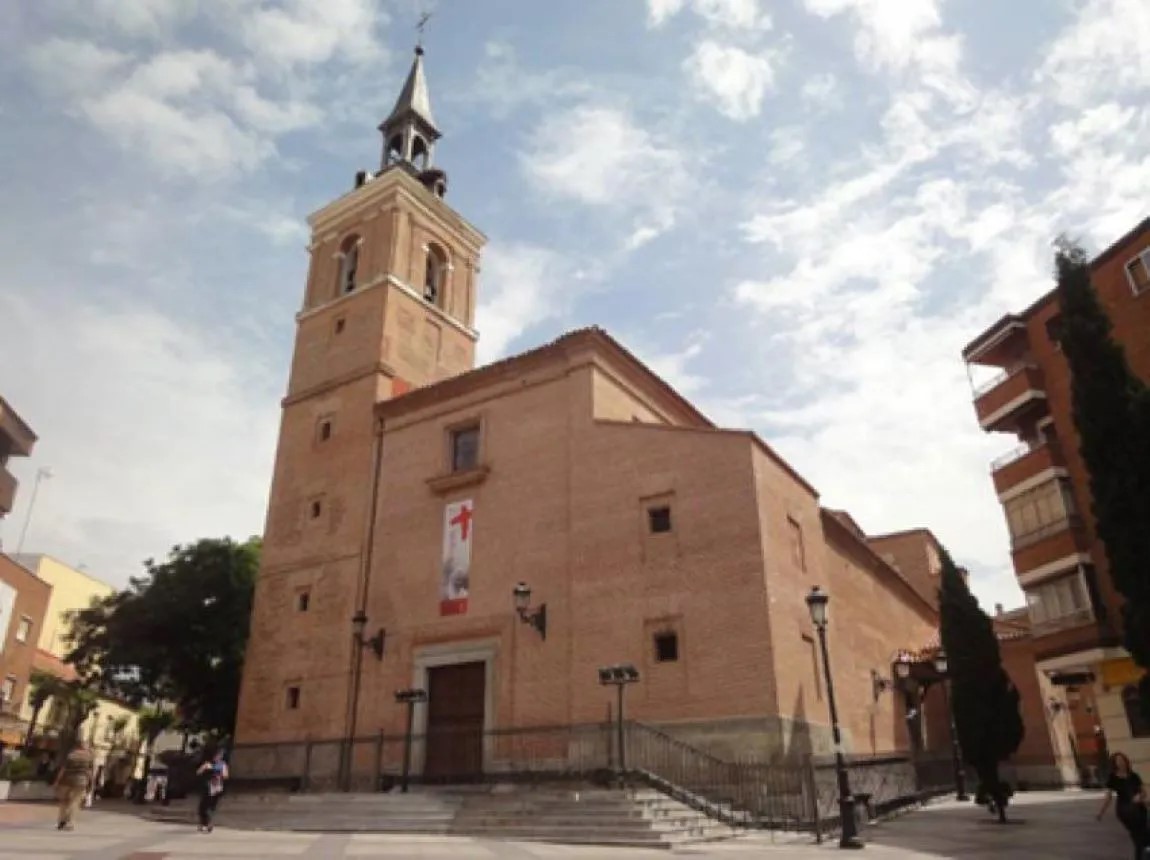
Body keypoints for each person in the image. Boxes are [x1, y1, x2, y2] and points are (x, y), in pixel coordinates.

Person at [1097, 752, 1148, 860]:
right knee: (1138, 836)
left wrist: (1140, 796)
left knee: (1143, 836)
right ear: (1115, 763)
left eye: (1123, 760)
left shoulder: (1134, 776)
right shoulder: (1113, 778)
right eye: (1118, 761)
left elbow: (1144, 792)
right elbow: (1108, 797)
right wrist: (1101, 812)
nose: (1121, 763)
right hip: (1125, 811)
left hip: (1139, 809)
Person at [53, 741, 94, 831]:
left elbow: (63, 769)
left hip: (66, 779)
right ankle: (70, 823)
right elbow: (89, 772)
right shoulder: (89, 757)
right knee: (75, 802)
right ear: (85, 746)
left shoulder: (70, 755)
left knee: (64, 801)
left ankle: (61, 821)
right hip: (81, 781)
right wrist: (90, 783)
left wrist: (57, 781)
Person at [195, 749, 229, 833]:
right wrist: (204, 768)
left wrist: (216, 772)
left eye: (219, 756)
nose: (218, 757)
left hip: (216, 788)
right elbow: (198, 773)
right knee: (202, 807)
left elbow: (225, 775)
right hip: (207, 787)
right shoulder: (207, 764)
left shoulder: (222, 765)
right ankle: (204, 823)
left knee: (209, 807)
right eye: (217, 755)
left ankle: (207, 824)